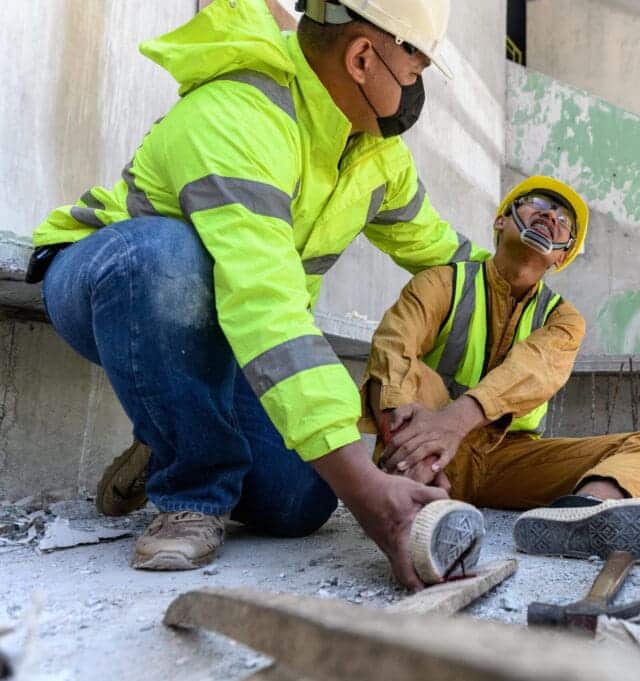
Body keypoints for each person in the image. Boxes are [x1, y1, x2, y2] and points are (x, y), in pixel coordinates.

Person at [28, 0, 488, 590]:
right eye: (416, 68)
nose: (417, 87)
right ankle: (192, 490)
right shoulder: (240, 111)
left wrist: (524, 283)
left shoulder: (374, 155)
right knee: (165, 259)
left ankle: (168, 425)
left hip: (224, 326)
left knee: (300, 503)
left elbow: (444, 256)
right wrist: (367, 491)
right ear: (363, 56)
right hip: (111, 280)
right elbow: (265, 303)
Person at [364, 176, 640, 577]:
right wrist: (419, 440)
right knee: (409, 374)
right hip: (430, 454)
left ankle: (582, 514)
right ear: (501, 221)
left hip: (508, 460)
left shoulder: (563, 319)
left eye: (564, 220)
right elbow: (392, 351)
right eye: (537, 203)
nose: (550, 215)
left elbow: (531, 370)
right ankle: (417, 510)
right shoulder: (444, 282)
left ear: (562, 257)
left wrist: (455, 422)